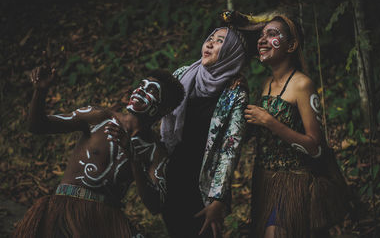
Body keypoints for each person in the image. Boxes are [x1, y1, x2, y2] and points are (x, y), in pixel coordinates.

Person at [12, 65, 184, 238]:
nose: (140, 91)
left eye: (151, 90)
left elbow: (155, 206)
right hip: (64, 211)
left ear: (164, 109)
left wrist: (134, 158)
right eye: (141, 85)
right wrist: (40, 92)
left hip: (105, 221)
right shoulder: (98, 117)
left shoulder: (155, 152)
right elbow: (37, 126)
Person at [244, 14, 350, 238]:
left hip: (294, 180)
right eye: (261, 36)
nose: (262, 40)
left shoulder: (302, 84)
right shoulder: (266, 84)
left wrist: (270, 123)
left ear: (291, 45)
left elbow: (315, 147)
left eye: (271, 34)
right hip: (264, 179)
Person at [159, 27, 249, 238]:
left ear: (231, 53)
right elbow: (159, 113)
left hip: (204, 185)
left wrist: (218, 199)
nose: (209, 43)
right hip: (173, 172)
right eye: (209, 38)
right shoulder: (182, 75)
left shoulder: (235, 93)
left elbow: (230, 149)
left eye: (219, 41)